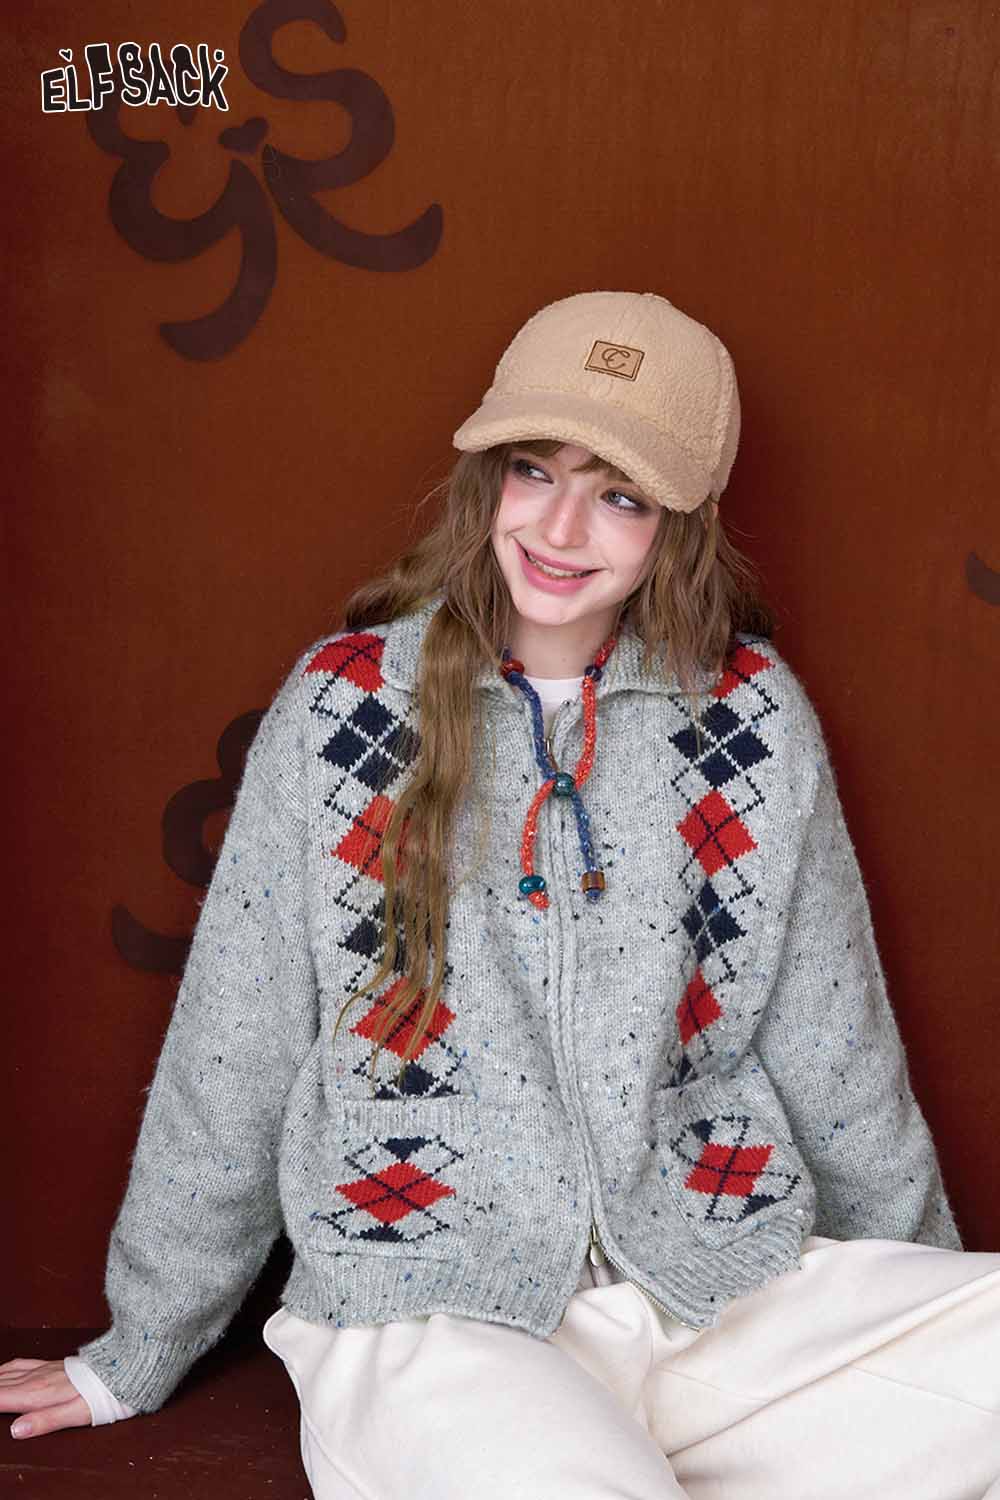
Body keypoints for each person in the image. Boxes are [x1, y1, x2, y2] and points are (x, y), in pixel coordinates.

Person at [3, 290, 998, 1498]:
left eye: (620, 496)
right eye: (536, 472)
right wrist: (141, 1344)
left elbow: (835, 1050)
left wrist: (912, 1292)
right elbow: (236, 1042)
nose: (563, 528)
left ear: (679, 524)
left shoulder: (748, 721)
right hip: (428, 1307)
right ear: (488, 478)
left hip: (713, 1288)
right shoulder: (346, 712)